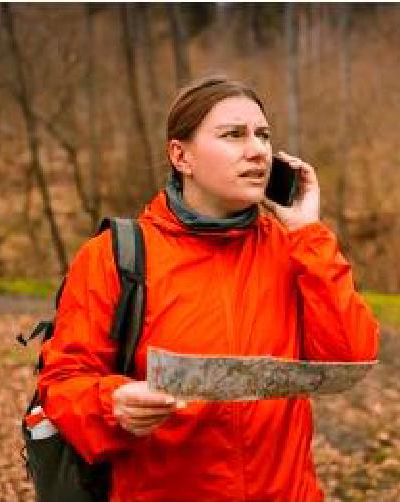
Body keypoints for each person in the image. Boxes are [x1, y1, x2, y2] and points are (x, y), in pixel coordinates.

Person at [38, 76, 379, 501]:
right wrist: (114, 403)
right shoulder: (115, 255)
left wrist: (308, 230)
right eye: (233, 135)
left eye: (263, 135)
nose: (257, 150)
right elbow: (62, 384)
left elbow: (350, 356)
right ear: (181, 156)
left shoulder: (294, 247)